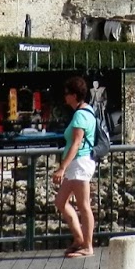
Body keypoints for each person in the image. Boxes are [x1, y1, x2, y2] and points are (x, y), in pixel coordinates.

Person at [52, 75, 97, 258]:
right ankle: (79, 239)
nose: (65, 96)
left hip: (79, 163)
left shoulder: (80, 115)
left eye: (67, 93)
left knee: (83, 205)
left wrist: (62, 168)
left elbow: (76, 143)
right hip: (76, 164)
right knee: (61, 202)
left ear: (74, 95)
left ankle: (88, 246)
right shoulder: (87, 111)